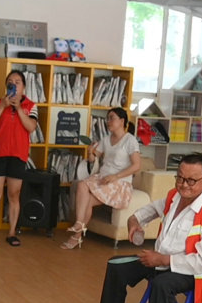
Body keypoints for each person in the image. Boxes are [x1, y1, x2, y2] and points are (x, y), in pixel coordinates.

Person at [79, 154, 202, 303]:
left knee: (162, 284)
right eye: (180, 178)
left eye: (191, 181)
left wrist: (163, 259)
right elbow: (150, 210)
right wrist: (134, 220)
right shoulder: (175, 196)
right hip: (161, 260)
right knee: (117, 265)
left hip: (196, 273)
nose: (184, 185)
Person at [61, 107, 142, 250]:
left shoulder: (130, 140)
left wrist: (115, 176)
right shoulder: (106, 139)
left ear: (122, 121)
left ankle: (76, 236)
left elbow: (137, 166)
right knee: (82, 185)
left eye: (112, 118)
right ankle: (79, 225)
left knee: (87, 200)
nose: (108, 121)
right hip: (103, 178)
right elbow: (93, 159)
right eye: (107, 118)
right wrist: (90, 153)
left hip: (119, 182)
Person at [0, 70, 38, 247]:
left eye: (17, 82)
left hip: (18, 154)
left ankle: (12, 233)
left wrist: (18, 108)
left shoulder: (31, 106)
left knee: (14, 195)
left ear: (23, 87)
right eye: (10, 81)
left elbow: (31, 127)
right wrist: (3, 106)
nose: (13, 84)